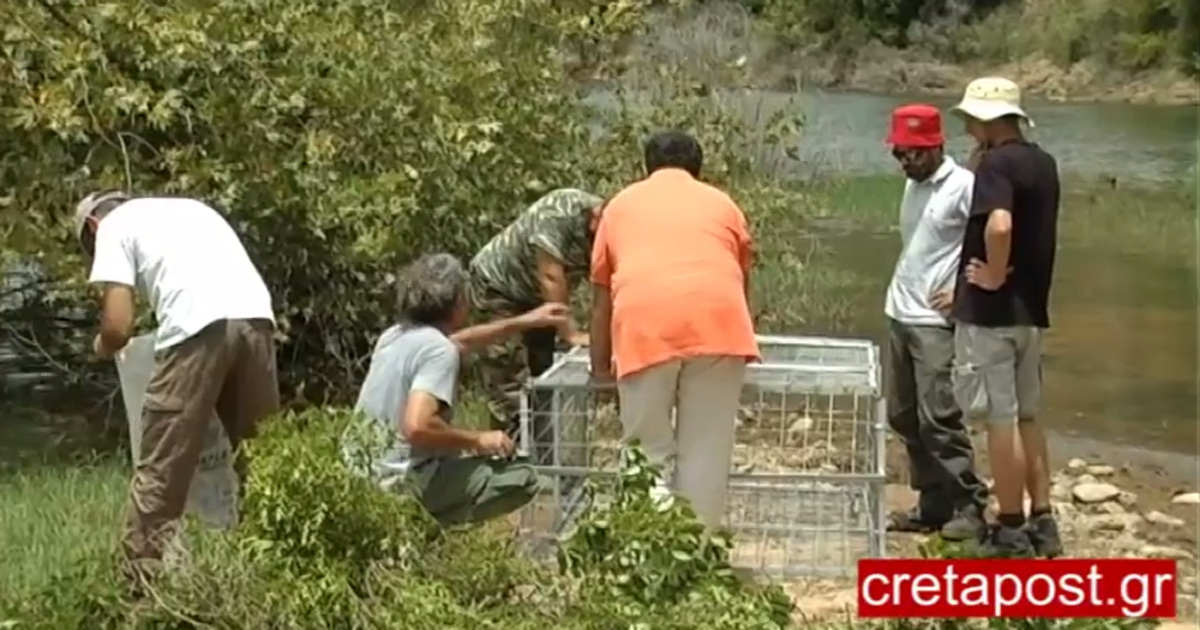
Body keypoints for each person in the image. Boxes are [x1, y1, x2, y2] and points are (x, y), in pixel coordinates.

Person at [74, 191, 280, 574]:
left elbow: (118, 326)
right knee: (263, 458)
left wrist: (101, 347)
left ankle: (141, 587)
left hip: (196, 330)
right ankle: (272, 568)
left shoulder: (112, 227)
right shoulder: (189, 210)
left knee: (161, 468)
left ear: (92, 225)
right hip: (257, 319)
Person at [588, 130, 759, 531]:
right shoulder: (724, 204)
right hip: (721, 329)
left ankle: (655, 553)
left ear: (647, 167)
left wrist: (600, 371)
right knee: (707, 453)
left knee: (647, 452)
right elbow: (740, 282)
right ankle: (699, 553)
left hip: (645, 330)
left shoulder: (619, 206)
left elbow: (602, 300)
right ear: (698, 169)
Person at [354, 253, 570, 526]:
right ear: (457, 302)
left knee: (456, 459)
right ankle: (419, 527)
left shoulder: (395, 335)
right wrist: (478, 440)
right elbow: (417, 426)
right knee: (528, 478)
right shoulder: (439, 351)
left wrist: (525, 321)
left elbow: (459, 341)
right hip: (399, 482)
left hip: (361, 476)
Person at [949, 77, 1062, 558]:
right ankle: (1042, 520)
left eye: (971, 119)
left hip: (992, 313)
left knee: (1000, 420)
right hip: (1030, 310)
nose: (968, 126)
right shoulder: (1043, 162)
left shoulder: (996, 164)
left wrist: (993, 273)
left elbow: (1000, 224)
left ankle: (1010, 526)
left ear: (987, 120)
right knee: (1029, 416)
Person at [882, 104, 989, 542]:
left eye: (914, 154)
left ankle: (970, 505)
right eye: (899, 154)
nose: (906, 162)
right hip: (899, 312)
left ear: (936, 146)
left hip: (933, 321)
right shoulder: (913, 187)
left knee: (939, 416)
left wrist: (966, 294)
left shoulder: (963, 185)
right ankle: (932, 503)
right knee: (903, 416)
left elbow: (997, 237)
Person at [468, 189, 605, 439]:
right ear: (596, 217)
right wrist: (570, 334)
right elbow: (550, 276)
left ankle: (543, 461)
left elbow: (607, 287)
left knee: (543, 377)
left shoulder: (609, 233)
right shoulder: (560, 211)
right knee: (508, 382)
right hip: (499, 290)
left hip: (538, 301)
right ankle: (509, 462)